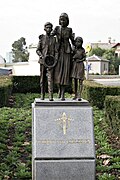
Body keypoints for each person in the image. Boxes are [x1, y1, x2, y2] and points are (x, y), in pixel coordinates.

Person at [52, 13, 75, 100]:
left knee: (65, 73)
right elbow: (51, 35)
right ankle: (59, 89)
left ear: (67, 21)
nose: (62, 21)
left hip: (67, 52)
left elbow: (73, 41)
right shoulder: (57, 28)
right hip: (58, 52)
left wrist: (75, 39)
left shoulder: (69, 30)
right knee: (58, 72)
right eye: (61, 20)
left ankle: (62, 93)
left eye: (64, 20)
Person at [36, 22, 58, 101]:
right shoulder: (41, 38)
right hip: (43, 61)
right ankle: (42, 94)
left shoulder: (54, 39)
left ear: (52, 29)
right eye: (47, 27)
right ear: (44, 29)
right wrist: (41, 56)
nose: (48, 29)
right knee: (42, 79)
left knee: (50, 79)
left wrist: (55, 60)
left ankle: (50, 95)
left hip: (51, 62)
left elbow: (56, 51)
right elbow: (38, 50)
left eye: (50, 27)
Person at [71, 37, 86, 101]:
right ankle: (75, 94)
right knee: (75, 80)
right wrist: (74, 58)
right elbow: (71, 56)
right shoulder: (74, 50)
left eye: (79, 42)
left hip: (80, 65)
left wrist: (80, 60)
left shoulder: (82, 50)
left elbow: (84, 58)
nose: (78, 43)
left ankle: (80, 95)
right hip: (75, 65)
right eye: (76, 42)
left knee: (80, 80)